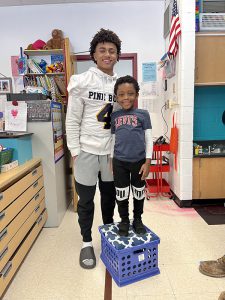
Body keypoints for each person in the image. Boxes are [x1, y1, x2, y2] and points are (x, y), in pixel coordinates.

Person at [66, 28, 121, 269]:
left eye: (112, 50)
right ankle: (86, 242)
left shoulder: (121, 84)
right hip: (86, 151)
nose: (107, 54)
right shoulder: (82, 81)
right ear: (94, 54)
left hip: (110, 154)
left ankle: (108, 238)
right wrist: (75, 151)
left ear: (117, 55)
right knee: (86, 201)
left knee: (109, 199)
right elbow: (72, 119)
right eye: (102, 50)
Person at [111, 75, 153, 237]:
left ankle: (137, 219)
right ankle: (124, 220)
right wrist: (111, 159)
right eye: (121, 94)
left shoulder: (143, 114)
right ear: (116, 97)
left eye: (130, 93)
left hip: (139, 162)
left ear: (137, 95)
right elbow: (112, 139)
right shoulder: (115, 116)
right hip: (119, 162)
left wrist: (148, 162)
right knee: (121, 193)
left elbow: (149, 139)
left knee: (138, 192)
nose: (126, 97)